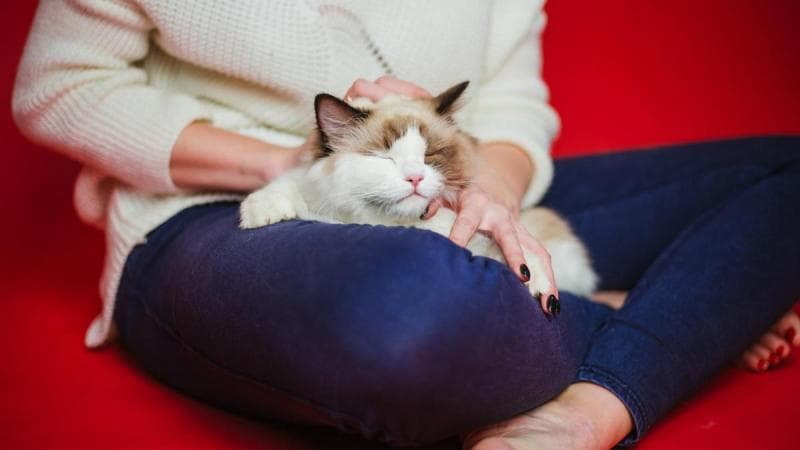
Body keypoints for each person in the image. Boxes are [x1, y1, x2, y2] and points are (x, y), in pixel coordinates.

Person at [12, 1, 799, 448]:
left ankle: (595, 404)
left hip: (444, 177)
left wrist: (489, 193)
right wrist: (282, 164)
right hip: (220, 212)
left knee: (786, 173)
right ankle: (688, 311)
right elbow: (58, 86)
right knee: (413, 311)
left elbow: (512, 103)